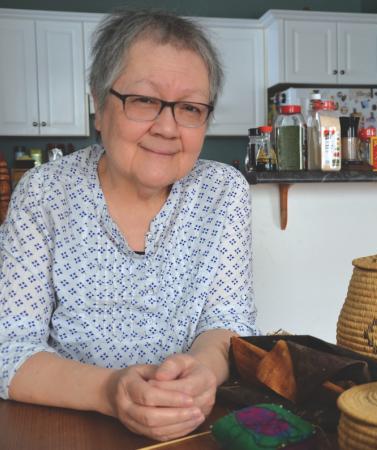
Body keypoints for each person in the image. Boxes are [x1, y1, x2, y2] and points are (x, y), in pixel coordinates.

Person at [0, 9, 257, 442]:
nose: (168, 127)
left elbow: (228, 320)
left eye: (190, 108)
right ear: (99, 106)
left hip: (190, 427)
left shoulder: (223, 191)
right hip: (67, 428)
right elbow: (8, 347)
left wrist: (203, 373)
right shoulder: (44, 193)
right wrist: (109, 390)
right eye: (144, 100)